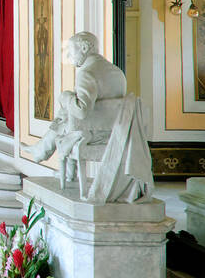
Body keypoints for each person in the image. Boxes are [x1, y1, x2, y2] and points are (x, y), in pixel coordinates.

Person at [21, 31, 126, 182]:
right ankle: (42, 151)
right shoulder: (117, 71)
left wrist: (65, 97)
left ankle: (41, 151)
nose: (70, 57)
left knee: (67, 118)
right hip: (116, 130)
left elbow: (81, 111)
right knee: (66, 118)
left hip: (94, 133)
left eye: (71, 51)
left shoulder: (87, 73)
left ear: (84, 48)